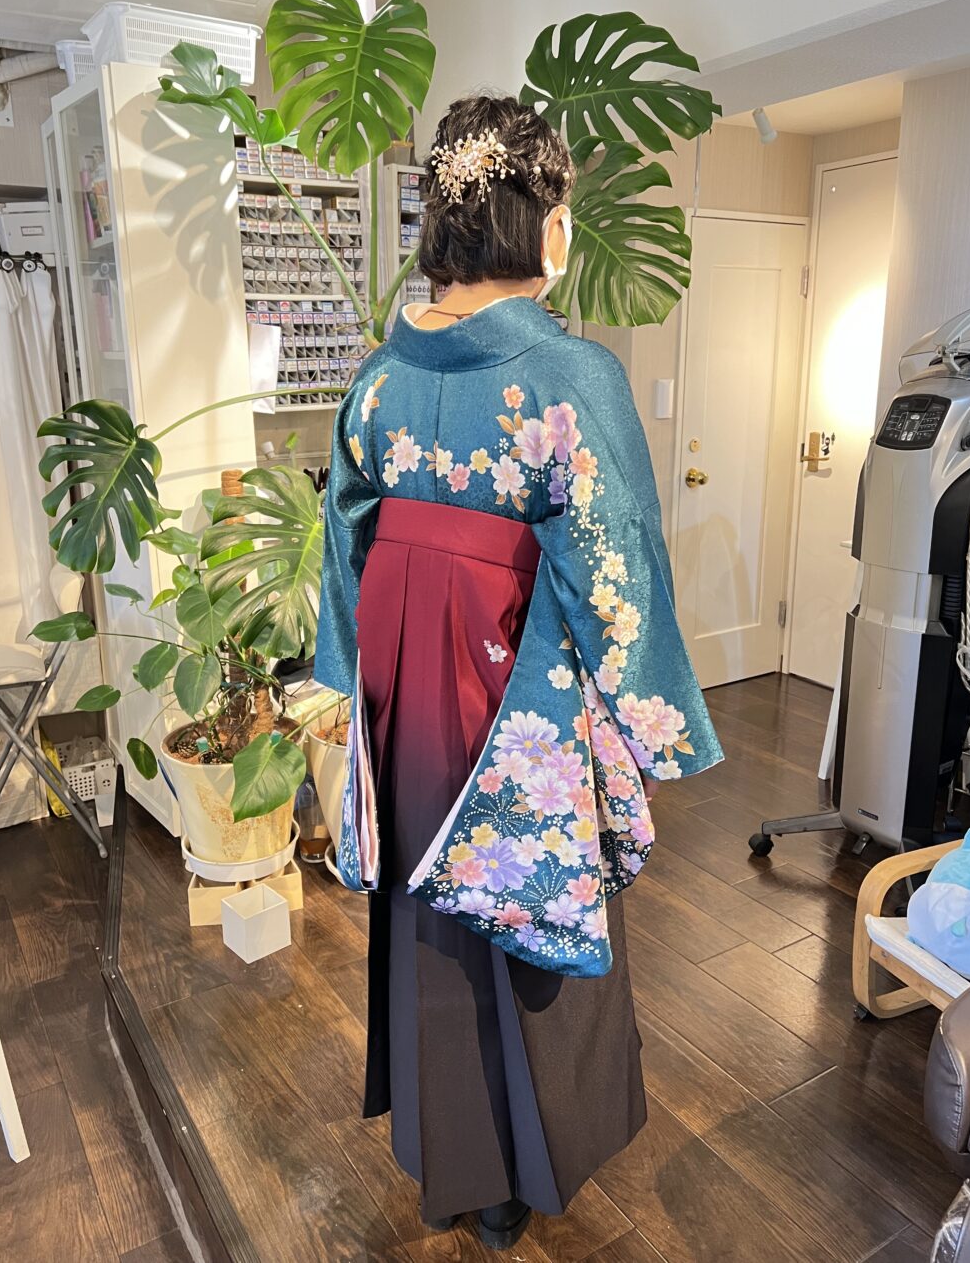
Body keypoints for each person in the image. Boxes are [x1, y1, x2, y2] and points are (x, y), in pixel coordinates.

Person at [314, 94, 722, 1251]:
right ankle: (521, 1176)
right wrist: (653, 717)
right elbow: (615, 562)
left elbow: (347, 547)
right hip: (513, 687)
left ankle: (451, 1161)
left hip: (406, 692)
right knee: (524, 916)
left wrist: (353, 676)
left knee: (431, 921)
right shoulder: (568, 377)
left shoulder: (378, 382)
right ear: (541, 224)